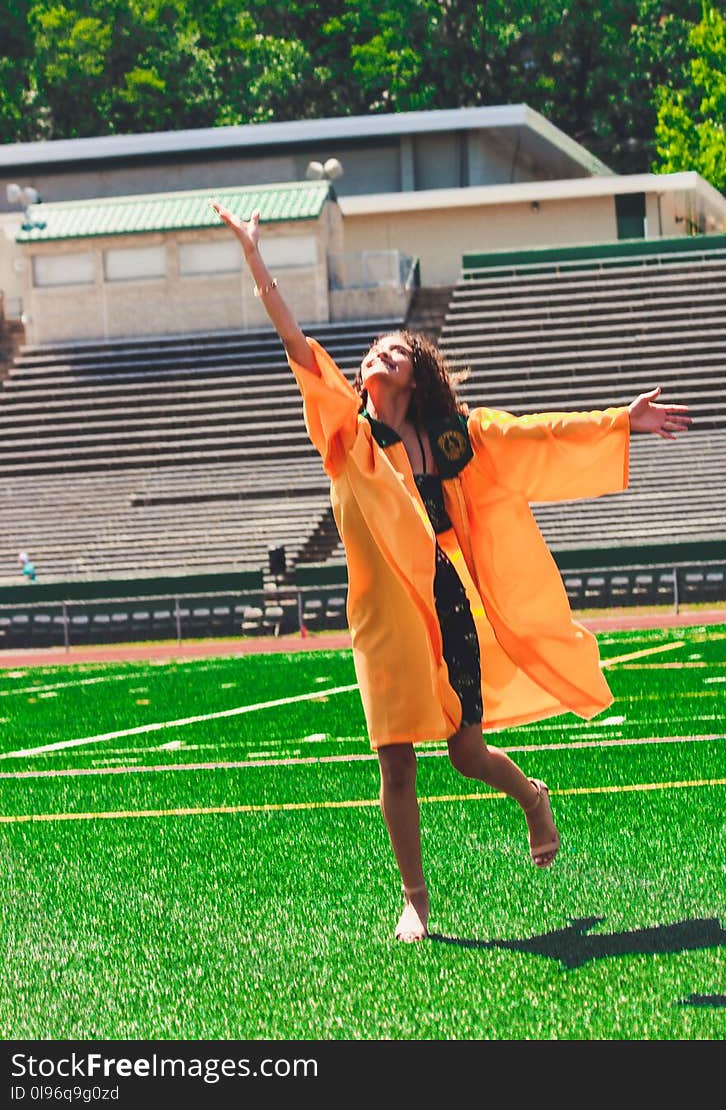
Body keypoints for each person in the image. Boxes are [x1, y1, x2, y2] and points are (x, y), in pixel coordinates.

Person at [212, 199, 692, 941]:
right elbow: (294, 339)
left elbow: (537, 437)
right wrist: (253, 255)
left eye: (392, 352)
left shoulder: (456, 439)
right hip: (380, 617)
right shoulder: (345, 429)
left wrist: (620, 421)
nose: (376, 356)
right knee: (396, 765)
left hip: (445, 599)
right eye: (373, 350)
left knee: (466, 751)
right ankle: (416, 897)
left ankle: (531, 797)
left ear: (416, 375)